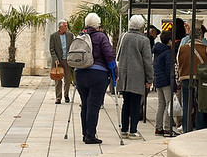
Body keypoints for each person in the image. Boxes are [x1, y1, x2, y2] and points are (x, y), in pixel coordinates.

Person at [74, 12, 117, 144]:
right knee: (94, 105)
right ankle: (90, 135)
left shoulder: (80, 36)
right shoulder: (101, 36)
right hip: (97, 74)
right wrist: (114, 72)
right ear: (97, 25)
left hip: (80, 73)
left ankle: (85, 133)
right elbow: (109, 55)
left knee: (85, 104)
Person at [116, 15, 153, 140]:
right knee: (136, 104)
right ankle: (133, 130)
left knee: (126, 103)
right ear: (141, 26)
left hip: (124, 74)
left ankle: (124, 130)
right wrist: (149, 78)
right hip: (137, 75)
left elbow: (118, 54)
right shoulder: (144, 40)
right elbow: (147, 61)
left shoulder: (123, 37)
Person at [177, 26, 207, 132]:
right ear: (200, 36)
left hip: (185, 77)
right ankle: (199, 129)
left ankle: (186, 128)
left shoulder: (183, 48)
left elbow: (178, 61)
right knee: (199, 104)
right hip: (200, 79)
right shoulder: (206, 48)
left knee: (186, 104)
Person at [152, 29, 175, 137]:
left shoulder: (157, 51)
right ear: (170, 41)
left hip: (158, 81)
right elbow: (169, 69)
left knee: (161, 105)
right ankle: (167, 128)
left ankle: (158, 127)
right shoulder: (168, 53)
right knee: (169, 105)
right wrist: (173, 83)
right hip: (166, 81)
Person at [49, 20, 74, 104]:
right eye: (65, 26)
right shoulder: (53, 36)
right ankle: (58, 97)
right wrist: (55, 59)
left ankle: (66, 95)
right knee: (58, 79)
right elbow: (52, 49)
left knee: (68, 79)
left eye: (66, 26)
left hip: (67, 60)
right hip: (58, 61)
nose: (66, 27)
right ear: (60, 27)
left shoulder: (70, 35)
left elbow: (72, 47)